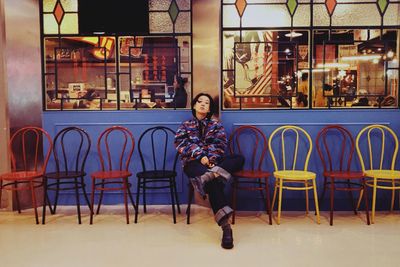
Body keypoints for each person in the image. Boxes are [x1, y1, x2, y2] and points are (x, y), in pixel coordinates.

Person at [174, 93, 244, 249]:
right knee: (214, 183)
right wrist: (200, 156)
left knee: (239, 158)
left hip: (213, 164)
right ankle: (226, 228)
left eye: (207, 102)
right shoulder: (186, 125)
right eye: (200, 101)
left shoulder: (216, 125)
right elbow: (180, 144)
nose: (203, 104)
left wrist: (211, 160)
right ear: (194, 105)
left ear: (210, 108)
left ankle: (208, 176)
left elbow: (221, 145)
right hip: (193, 164)